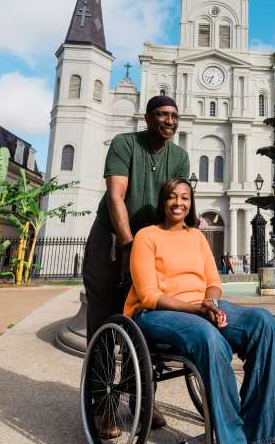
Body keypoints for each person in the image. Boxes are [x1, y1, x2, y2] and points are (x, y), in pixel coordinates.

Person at [125, 178, 275, 444]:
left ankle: (261, 432)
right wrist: (196, 310)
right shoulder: (147, 236)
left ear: (191, 202)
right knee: (209, 337)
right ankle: (231, 438)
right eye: (172, 197)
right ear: (163, 201)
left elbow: (213, 282)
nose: (178, 203)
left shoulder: (197, 236)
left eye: (185, 198)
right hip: (158, 312)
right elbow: (149, 295)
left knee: (263, 322)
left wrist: (209, 303)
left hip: (201, 307)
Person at [82, 95, 188, 435]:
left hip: (147, 246)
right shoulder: (125, 143)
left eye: (173, 115)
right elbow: (116, 195)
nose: (168, 121)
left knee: (139, 320)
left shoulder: (179, 157)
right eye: (161, 114)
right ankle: (103, 404)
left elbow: (175, 204)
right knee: (104, 320)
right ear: (147, 117)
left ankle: (139, 396)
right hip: (112, 241)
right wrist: (127, 245)